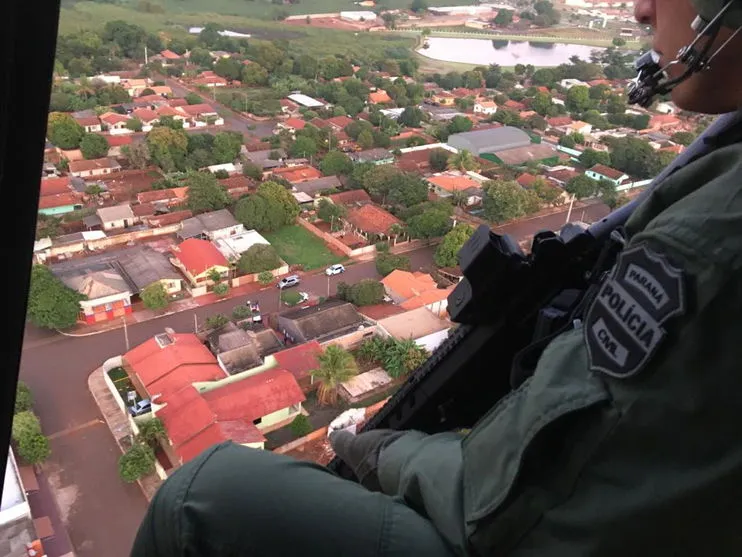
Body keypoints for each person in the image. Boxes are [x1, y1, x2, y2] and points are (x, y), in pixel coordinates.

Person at [131, 1, 742, 555]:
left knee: (202, 499)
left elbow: (513, 507)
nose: (640, 9)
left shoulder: (716, 226)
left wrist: (389, 451)